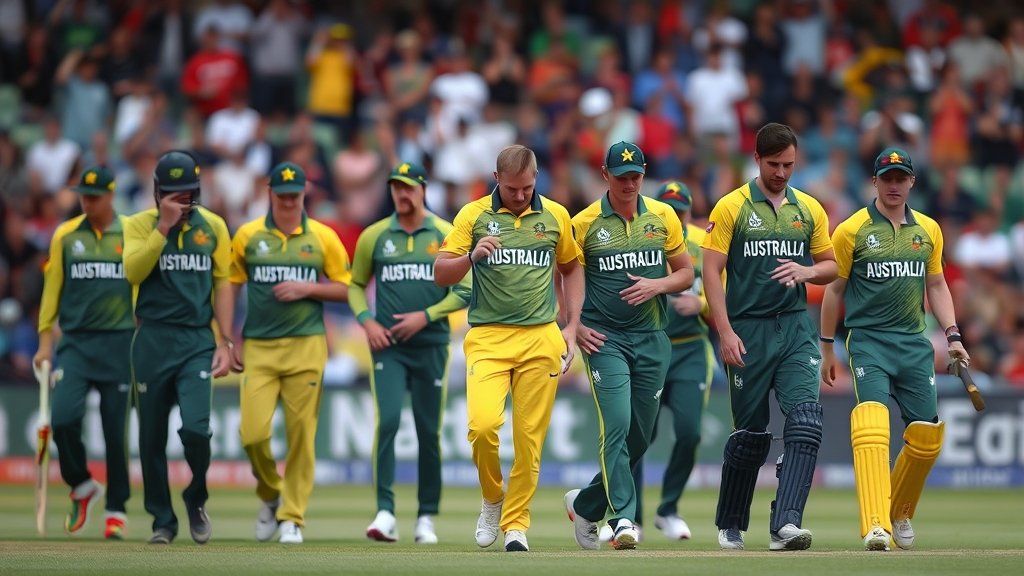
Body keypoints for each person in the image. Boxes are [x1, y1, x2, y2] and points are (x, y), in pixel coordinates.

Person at [434, 144, 584, 553]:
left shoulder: (555, 215)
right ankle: (492, 498)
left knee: (529, 440)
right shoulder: (473, 215)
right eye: (514, 189)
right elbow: (441, 274)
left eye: (528, 188)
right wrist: (470, 255)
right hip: (488, 336)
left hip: (540, 337)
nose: (521, 196)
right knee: (482, 427)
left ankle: (516, 524)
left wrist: (570, 327)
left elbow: (571, 268)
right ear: (496, 178)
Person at [819, 147, 970, 551]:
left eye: (901, 178)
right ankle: (875, 525)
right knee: (873, 424)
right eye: (887, 179)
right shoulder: (851, 230)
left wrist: (953, 336)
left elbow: (936, 285)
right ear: (874, 182)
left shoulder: (929, 231)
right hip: (869, 341)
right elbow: (834, 291)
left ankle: (899, 510)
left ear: (912, 182)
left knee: (927, 436)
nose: (894, 185)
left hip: (914, 343)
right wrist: (828, 347)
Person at [702, 123, 837, 551]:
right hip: (747, 329)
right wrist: (724, 332)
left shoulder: (810, 208)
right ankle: (731, 521)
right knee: (752, 435)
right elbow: (710, 270)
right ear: (757, 160)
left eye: (789, 165)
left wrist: (807, 271)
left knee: (806, 422)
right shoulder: (731, 207)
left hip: (795, 325)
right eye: (774, 164)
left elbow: (831, 265)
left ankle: (786, 525)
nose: (782, 172)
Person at [563, 144, 694, 551]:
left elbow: (686, 273)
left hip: (654, 337)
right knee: (617, 425)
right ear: (605, 174)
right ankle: (623, 520)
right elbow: (565, 274)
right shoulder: (583, 222)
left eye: (636, 174)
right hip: (605, 339)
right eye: (621, 176)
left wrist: (657, 285)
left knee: (639, 437)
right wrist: (574, 323)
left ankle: (585, 503)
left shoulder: (663, 216)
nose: (630, 182)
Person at [230, 162, 351, 545]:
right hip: (260, 347)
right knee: (252, 434)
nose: (287, 204)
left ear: (305, 195)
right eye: (281, 196)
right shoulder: (248, 235)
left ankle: (292, 516)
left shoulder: (323, 237)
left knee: (301, 436)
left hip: (306, 345)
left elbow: (351, 289)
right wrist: (228, 338)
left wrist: (307, 289)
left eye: (294, 197)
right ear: (269, 194)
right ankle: (270, 493)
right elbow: (230, 284)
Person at [354, 162, 471, 545]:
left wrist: (426, 316)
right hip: (388, 347)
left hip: (431, 345)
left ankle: (425, 517)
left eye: (408, 187)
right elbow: (355, 285)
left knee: (428, 432)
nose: (402, 194)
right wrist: (368, 322)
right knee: (387, 423)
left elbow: (465, 289)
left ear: (422, 189)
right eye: (396, 188)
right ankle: (385, 512)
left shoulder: (443, 233)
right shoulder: (374, 235)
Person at [123, 150, 234, 545]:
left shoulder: (214, 227)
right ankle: (162, 522)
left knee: (196, 430)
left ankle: (195, 496)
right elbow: (133, 271)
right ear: (156, 192)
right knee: (151, 437)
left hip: (196, 340)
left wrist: (225, 340)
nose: (178, 202)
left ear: (196, 192)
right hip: (152, 338)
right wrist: (162, 230)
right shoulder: (138, 225)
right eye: (170, 194)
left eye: (185, 194)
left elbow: (223, 281)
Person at [599, 181, 716, 544]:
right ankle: (629, 517)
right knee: (638, 435)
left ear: (689, 211)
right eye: (670, 209)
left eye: (681, 211)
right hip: (645, 344)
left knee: (690, 431)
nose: (676, 217)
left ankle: (668, 509)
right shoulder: (643, 237)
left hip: (691, 350)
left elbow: (721, 288)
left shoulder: (701, 243)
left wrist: (703, 305)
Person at [34, 166, 134, 539]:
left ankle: (116, 509)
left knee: (114, 432)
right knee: (62, 420)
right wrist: (46, 343)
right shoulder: (65, 235)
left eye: (95, 196)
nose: (87, 202)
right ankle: (81, 485)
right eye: (83, 195)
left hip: (119, 343)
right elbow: (51, 291)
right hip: (75, 344)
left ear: (111, 195)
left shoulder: (129, 232)